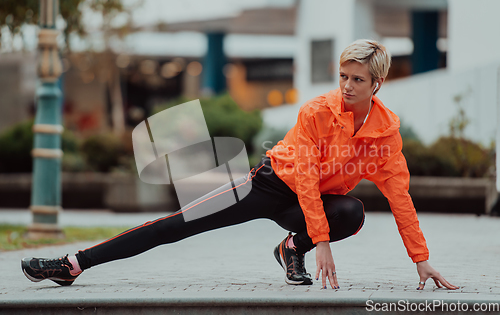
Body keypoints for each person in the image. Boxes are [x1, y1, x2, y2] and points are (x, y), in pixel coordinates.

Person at [21, 39, 458, 291]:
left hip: (309, 204)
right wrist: (322, 242)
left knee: (353, 212)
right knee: (177, 225)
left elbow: (400, 196)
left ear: (377, 84)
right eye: (343, 76)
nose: (345, 86)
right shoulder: (317, 111)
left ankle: (291, 250)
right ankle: (74, 263)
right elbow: (304, 176)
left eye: (357, 80)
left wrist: (420, 260)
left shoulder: (385, 135)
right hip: (268, 183)